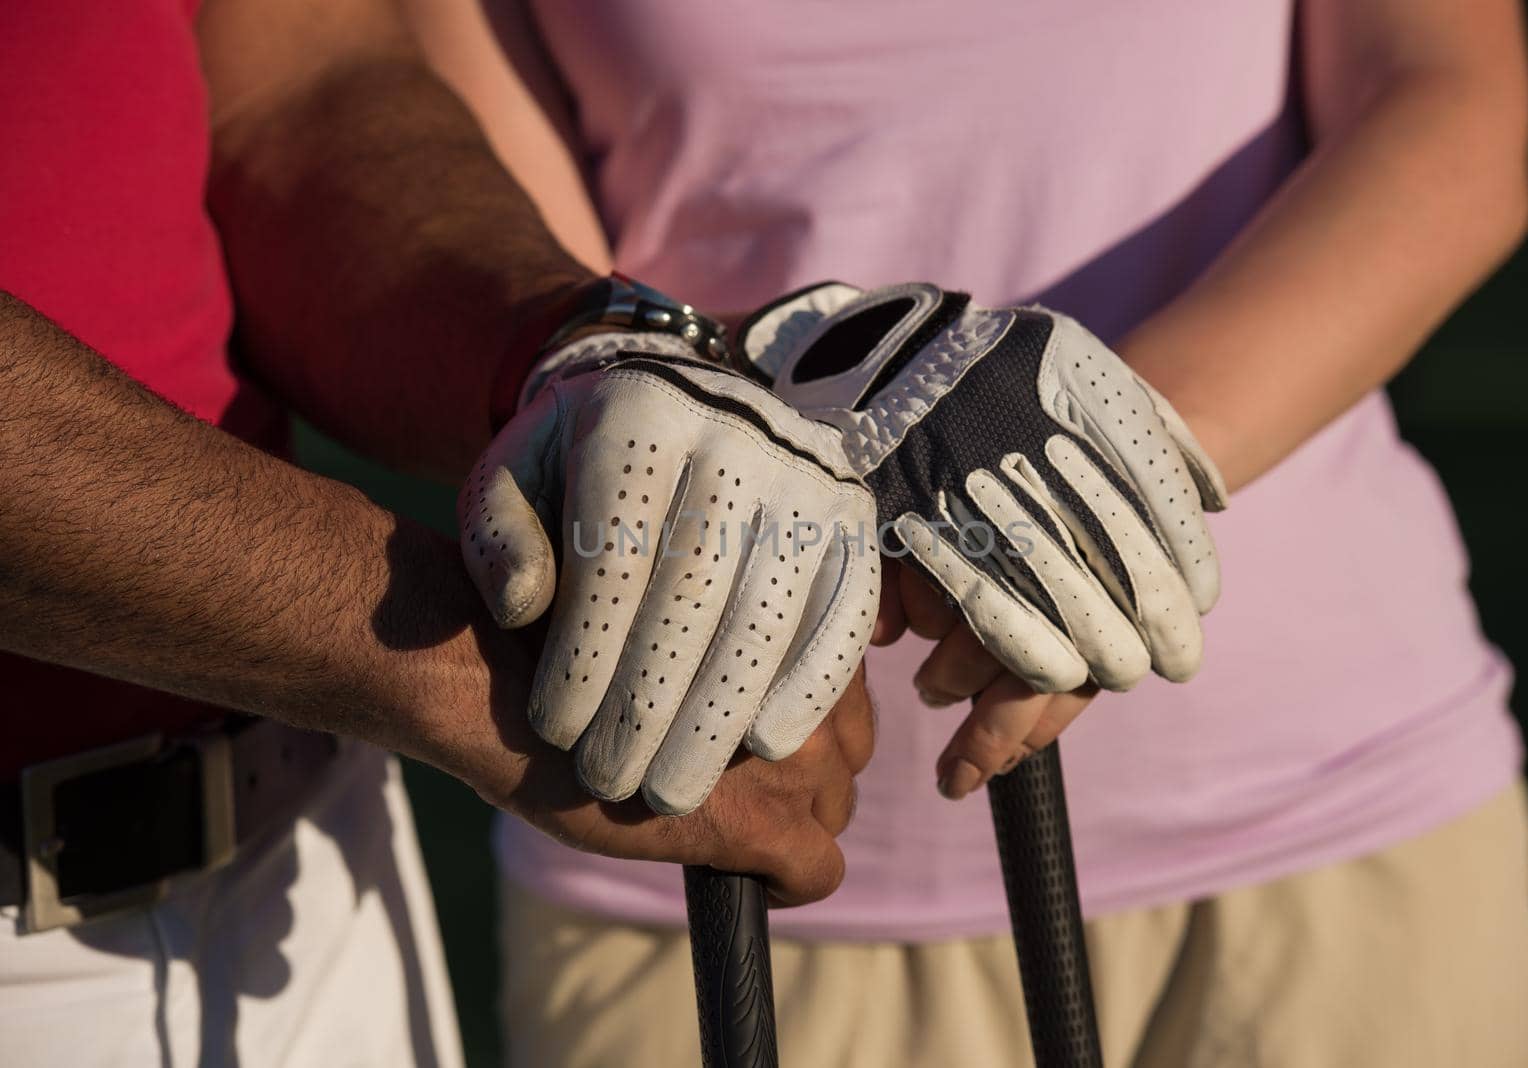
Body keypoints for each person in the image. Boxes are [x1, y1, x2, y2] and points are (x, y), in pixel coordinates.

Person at [432, 0, 1528, 1064]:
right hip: (709, 851)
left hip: (1324, 832)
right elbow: (506, 262)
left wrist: (1114, 471)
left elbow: (1437, 100)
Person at [0, 1, 875, 1065]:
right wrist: (462, 669)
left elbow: (297, 92)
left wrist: (576, 355)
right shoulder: (448, 678)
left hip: (309, 863)